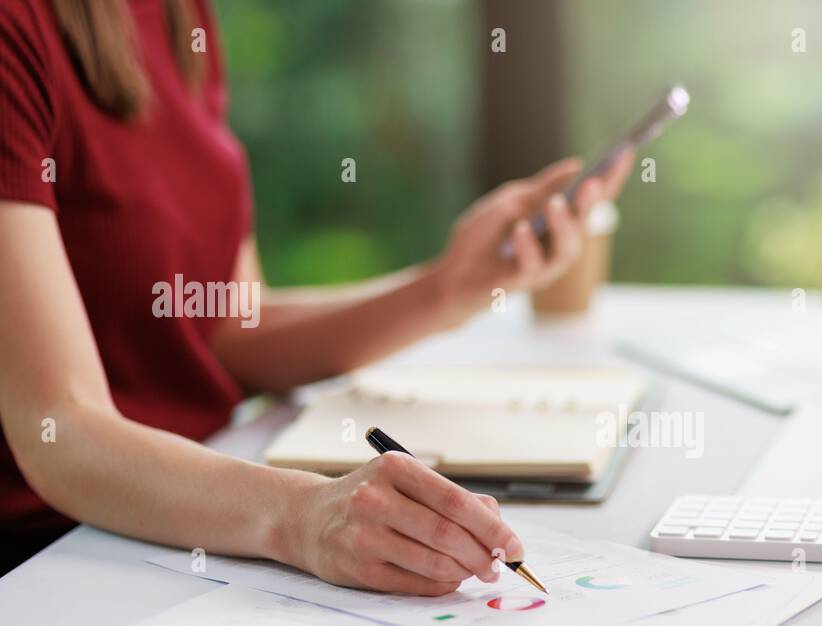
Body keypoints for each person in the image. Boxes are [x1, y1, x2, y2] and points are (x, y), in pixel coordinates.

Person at [0, 0, 632, 582]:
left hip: (197, 516)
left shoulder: (177, 15)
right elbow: (62, 428)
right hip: (61, 559)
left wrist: (448, 289)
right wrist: (304, 517)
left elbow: (225, 330)